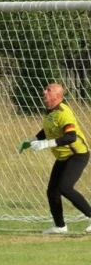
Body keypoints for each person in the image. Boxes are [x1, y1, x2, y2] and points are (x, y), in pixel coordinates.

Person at [19, 82, 91, 234]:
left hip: (77, 155)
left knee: (65, 187)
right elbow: (47, 130)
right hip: (63, 156)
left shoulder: (64, 112)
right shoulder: (49, 112)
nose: (44, 91)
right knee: (52, 191)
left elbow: (71, 137)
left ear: (57, 96)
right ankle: (60, 226)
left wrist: (47, 144)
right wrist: (30, 141)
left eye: (48, 90)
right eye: (45, 88)